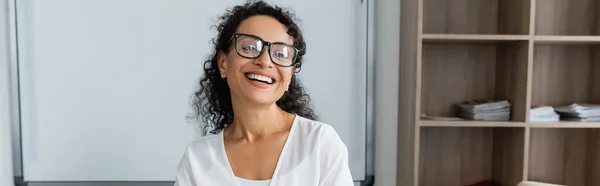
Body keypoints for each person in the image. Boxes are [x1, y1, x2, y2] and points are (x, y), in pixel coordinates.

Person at [174, 1, 354, 186]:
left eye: (281, 53)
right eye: (249, 48)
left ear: (290, 75)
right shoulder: (197, 160)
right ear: (223, 64)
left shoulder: (320, 143)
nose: (265, 61)